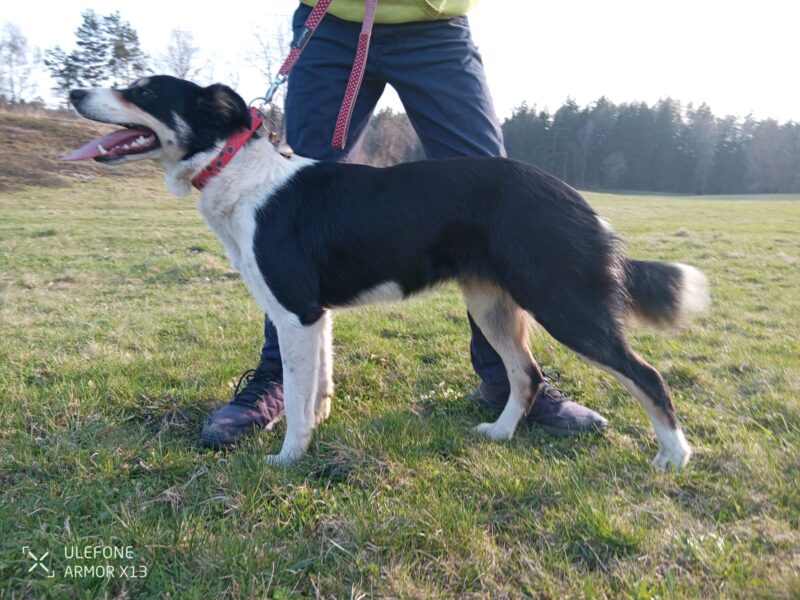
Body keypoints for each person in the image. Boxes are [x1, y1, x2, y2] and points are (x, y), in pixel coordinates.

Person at [200, 0, 607, 449]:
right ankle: (280, 378)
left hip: (434, 22)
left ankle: (508, 381)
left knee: (490, 192)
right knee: (292, 214)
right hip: (333, 21)